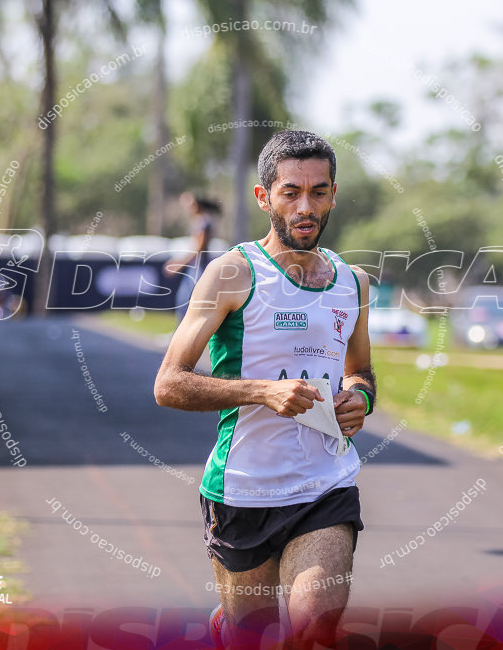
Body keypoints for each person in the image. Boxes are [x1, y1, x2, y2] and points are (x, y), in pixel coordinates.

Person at [154, 130, 376, 648]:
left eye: (319, 192)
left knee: (315, 627)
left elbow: (360, 370)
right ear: (263, 197)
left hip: (326, 486)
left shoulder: (355, 283)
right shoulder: (233, 273)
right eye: (290, 192)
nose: (306, 206)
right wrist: (261, 392)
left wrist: (360, 398)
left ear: (333, 195)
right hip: (242, 491)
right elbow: (169, 384)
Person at [163, 192, 221, 322]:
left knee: (187, 302)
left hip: (199, 268)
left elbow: (199, 249)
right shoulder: (200, 221)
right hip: (196, 268)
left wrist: (179, 264)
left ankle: (185, 336)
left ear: (197, 205)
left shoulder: (203, 222)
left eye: (190, 204)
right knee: (185, 301)